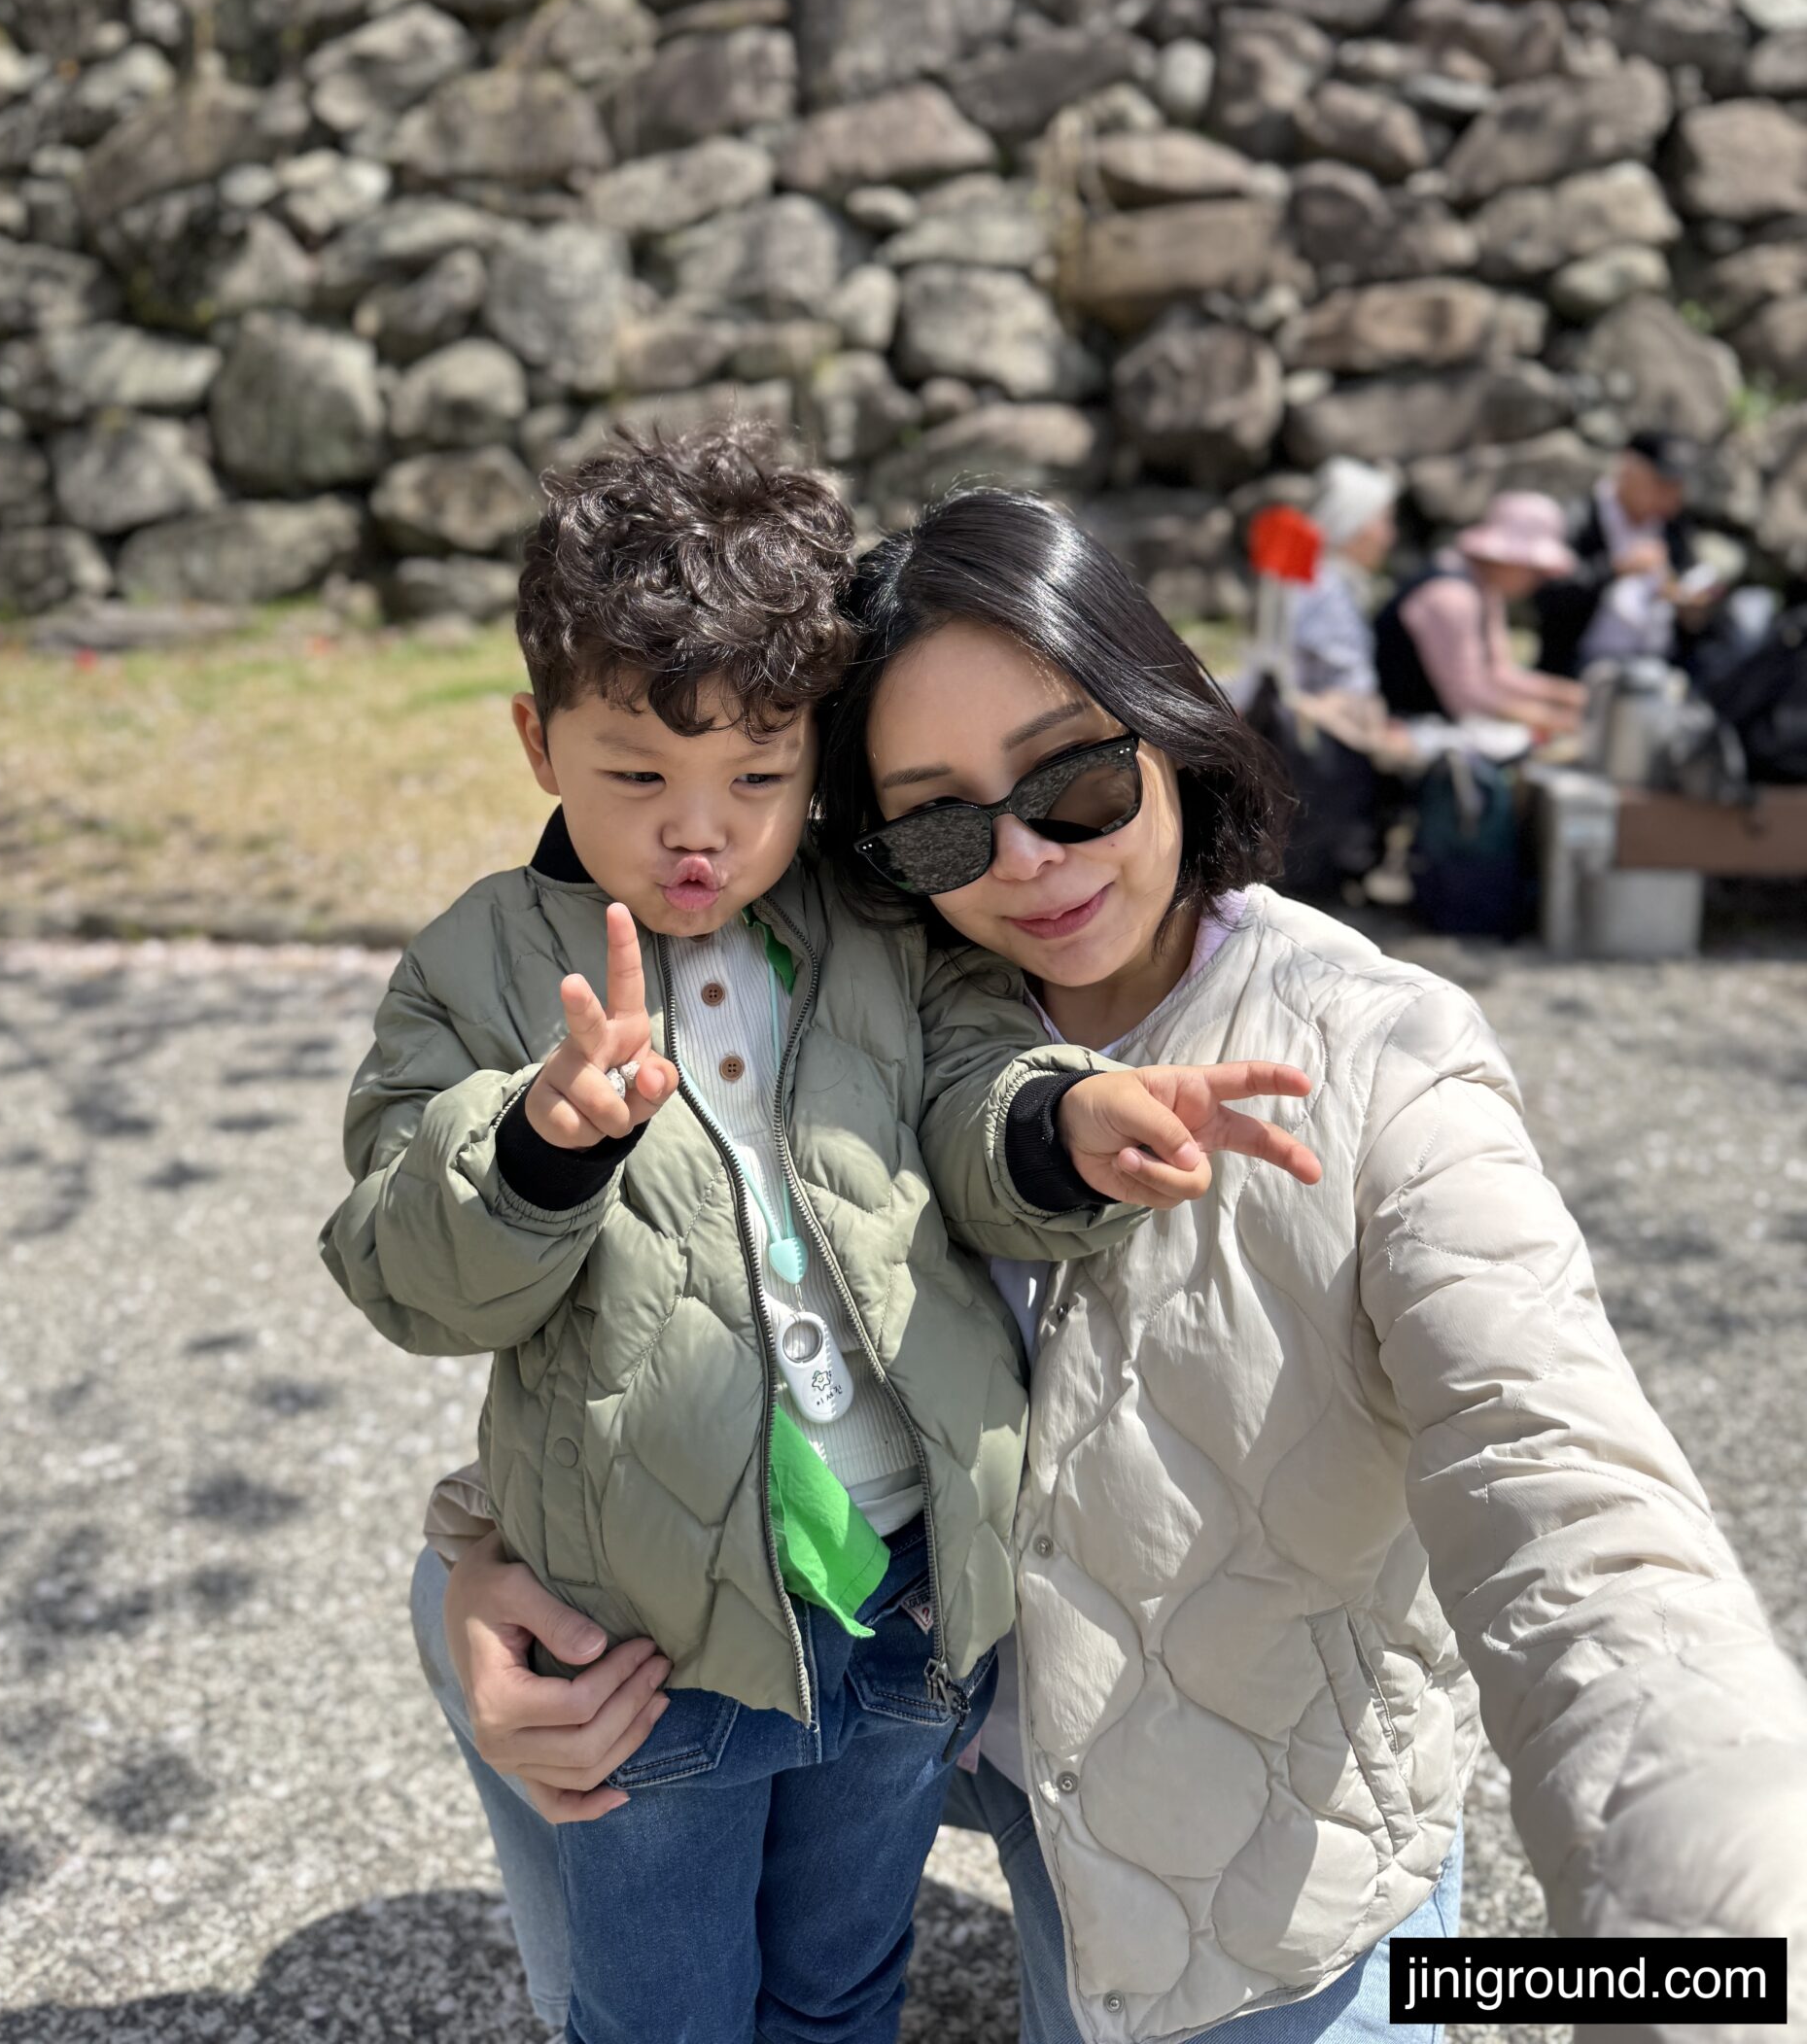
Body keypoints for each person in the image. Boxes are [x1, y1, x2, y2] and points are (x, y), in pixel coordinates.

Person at [429, 487, 1807, 2044]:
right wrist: (483, 1565)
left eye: (1074, 779)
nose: (1024, 859)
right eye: (940, 820)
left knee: (1482, 1995)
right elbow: (661, 1324)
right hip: (940, 1727)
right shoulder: (863, 1019)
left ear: (1167, 725)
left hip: (1242, 1884)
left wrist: (1726, 1921)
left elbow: (1565, 1488)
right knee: (461, 1605)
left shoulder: (1377, 1064)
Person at [325, 433, 1313, 2044]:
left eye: (761, 778)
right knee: (665, 2005)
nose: (697, 832)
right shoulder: (475, 970)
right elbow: (395, 1265)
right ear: (536, 739)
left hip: (910, 1607)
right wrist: (534, 1149)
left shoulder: (875, 927)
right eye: (637, 774)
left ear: (820, 758)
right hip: (654, 1641)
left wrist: (1063, 1128)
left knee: (849, 1979)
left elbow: (978, 1081)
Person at [1373, 489, 1587, 739]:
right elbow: (1466, 697)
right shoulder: (1452, 597)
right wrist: (1555, 719)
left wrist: (1566, 695)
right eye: (1536, 570)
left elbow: (1499, 672)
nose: (1538, 581)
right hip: (1404, 731)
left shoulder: (1485, 590)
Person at [1533, 431, 1714, 680]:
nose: (1672, 497)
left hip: (1661, 664)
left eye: (1678, 487)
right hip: (1584, 666)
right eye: (1663, 483)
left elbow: (1691, 587)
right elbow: (1551, 595)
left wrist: (1688, 602)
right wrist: (1617, 568)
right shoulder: (1581, 517)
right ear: (1629, 469)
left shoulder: (1673, 528)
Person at [1290, 456, 1401, 701]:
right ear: (1353, 521)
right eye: (1384, 521)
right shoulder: (1325, 589)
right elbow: (1350, 688)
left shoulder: (1318, 579)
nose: (1389, 538)